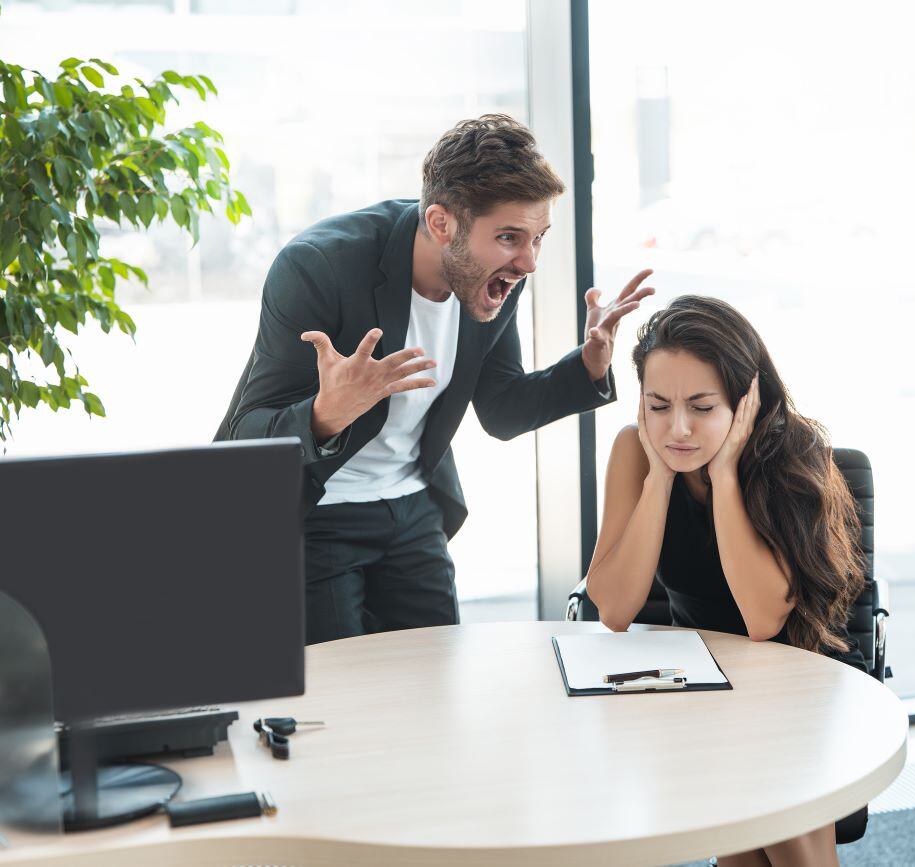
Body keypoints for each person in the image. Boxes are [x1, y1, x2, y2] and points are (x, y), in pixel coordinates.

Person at [216, 114, 652, 644]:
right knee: (344, 698)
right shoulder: (320, 266)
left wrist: (589, 366)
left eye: (538, 238)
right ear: (442, 222)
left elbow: (504, 408)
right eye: (510, 237)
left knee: (433, 685)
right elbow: (246, 437)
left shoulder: (488, 279)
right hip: (318, 511)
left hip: (414, 509)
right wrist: (329, 412)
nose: (529, 262)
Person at [585, 295, 866, 867]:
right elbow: (614, 607)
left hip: (799, 676)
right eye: (658, 406)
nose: (678, 428)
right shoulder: (634, 453)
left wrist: (726, 475)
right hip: (709, 684)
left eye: (702, 407)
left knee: (782, 825)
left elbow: (765, 622)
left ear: (745, 403)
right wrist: (660, 479)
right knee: (739, 849)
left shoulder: (793, 454)